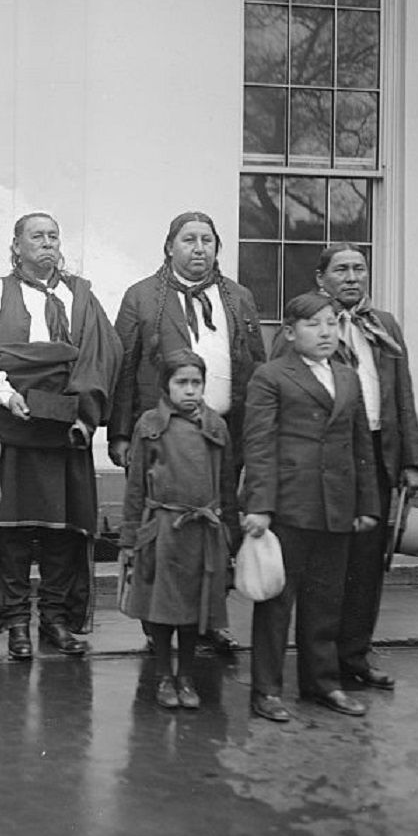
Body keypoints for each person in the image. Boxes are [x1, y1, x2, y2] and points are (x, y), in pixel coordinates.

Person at [0, 213, 122, 660]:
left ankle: (55, 619)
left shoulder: (82, 296)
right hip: (17, 429)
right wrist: (7, 395)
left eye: (54, 236)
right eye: (37, 236)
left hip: (68, 432)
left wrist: (83, 406)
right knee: (14, 534)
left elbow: (105, 355)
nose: (47, 243)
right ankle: (15, 623)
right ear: (16, 245)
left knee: (64, 533)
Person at [109, 211, 265, 656]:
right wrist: (120, 435)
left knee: (213, 534)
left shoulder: (237, 298)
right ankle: (158, 626)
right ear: (169, 247)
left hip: (220, 437)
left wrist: (255, 434)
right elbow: (123, 369)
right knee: (158, 537)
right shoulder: (142, 298)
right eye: (189, 240)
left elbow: (256, 364)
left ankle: (209, 618)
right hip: (161, 438)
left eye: (208, 240)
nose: (200, 249)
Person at [242, 292, 380, 723]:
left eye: (330, 324)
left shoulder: (348, 377)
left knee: (326, 601)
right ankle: (266, 690)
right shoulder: (271, 376)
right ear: (289, 332)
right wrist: (260, 506)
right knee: (277, 600)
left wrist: (366, 504)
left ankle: (322, 684)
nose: (325, 333)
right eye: (313, 324)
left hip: (336, 507)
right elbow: (259, 445)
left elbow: (361, 448)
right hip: (289, 507)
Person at [314, 242, 418, 690]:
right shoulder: (314, 325)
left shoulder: (384, 326)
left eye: (359, 269)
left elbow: (403, 394)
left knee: (368, 563)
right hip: (333, 461)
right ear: (320, 279)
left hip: (379, 456)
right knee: (329, 565)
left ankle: (355, 657)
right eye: (341, 270)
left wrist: (412, 461)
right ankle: (321, 667)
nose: (352, 277)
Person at [120, 349, 240, 710]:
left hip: (202, 532)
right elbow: (136, 488)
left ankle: (186, 675)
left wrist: (230, 538)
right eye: (181, 383)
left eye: (196, 383)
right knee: (161, 609)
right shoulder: (149, 425)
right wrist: (129, 539)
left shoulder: (216, 426)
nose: (190, 390)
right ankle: (163, 676)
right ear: (166, 385)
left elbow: (226, 483)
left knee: (193, 610)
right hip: (161, 531)